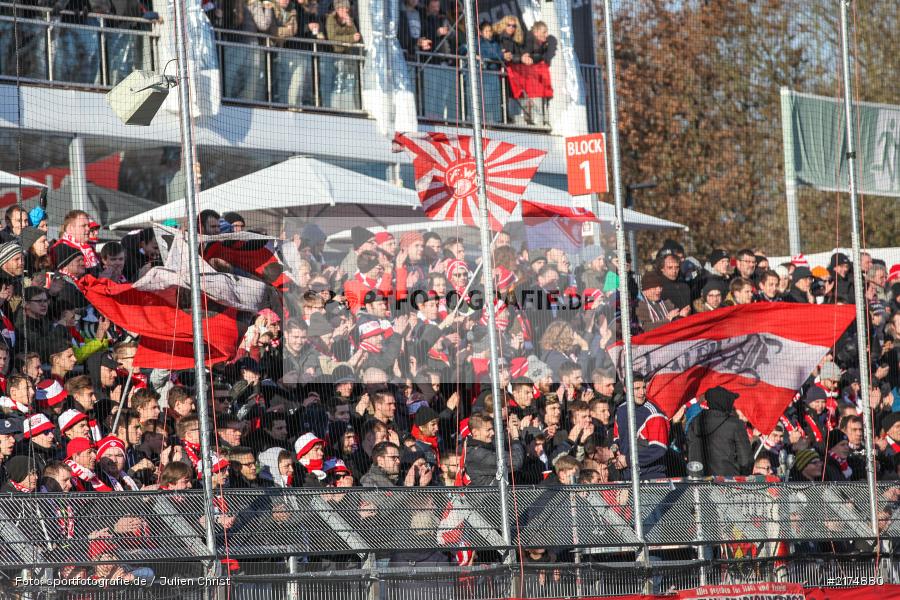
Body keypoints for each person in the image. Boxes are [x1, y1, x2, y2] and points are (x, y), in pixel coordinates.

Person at [686, 387, 752, 477]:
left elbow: (690, 451)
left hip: (699, 481)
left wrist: (694, 475)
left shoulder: (695, 422)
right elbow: (746, 460)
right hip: (729, 481)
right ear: (726, 402)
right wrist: (744, 477)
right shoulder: (735, 424)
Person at [613, 376, 668, 480]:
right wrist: (615, 452)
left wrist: (628, 461)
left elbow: (658, 449)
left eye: (644, 388)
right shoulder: (620, 410)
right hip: (627, 476)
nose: (642, 392)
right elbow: (617, 438)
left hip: (651, 478)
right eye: (637, 389)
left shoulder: (654, 414)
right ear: (626, 389)